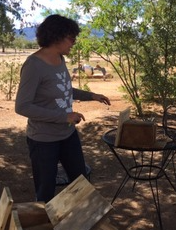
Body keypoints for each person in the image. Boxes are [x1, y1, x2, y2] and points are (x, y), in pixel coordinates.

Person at [15, 14, 111, 203]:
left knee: (80, 182)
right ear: (56, 36)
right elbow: (22, 106)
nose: (74, 42)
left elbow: (63, 89)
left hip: (67, 135)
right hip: (43, 140)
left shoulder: (60, 59)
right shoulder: (34, 65)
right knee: (45, 191)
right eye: (71, 37)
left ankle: (78, 220)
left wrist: (91, 95)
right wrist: (64, 117)